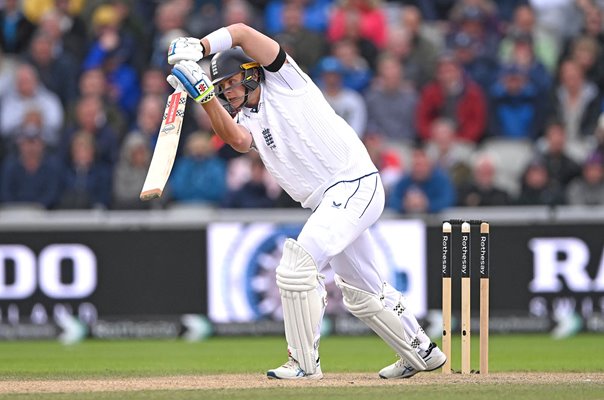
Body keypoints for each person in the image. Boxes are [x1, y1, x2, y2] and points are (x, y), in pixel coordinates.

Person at [166, 23, 446, 380]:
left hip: (352, 184)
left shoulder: (285, 80)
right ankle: (421, 352)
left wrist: (201, 48)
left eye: (230, 84)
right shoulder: (247, 119)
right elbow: (235, 140)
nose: (227, 93)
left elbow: (241, 32)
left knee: (296, 268)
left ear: (251, 74)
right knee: (362, 291)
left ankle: (303, 363)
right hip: (331, 201)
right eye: (221, 89)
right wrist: (204, 97)